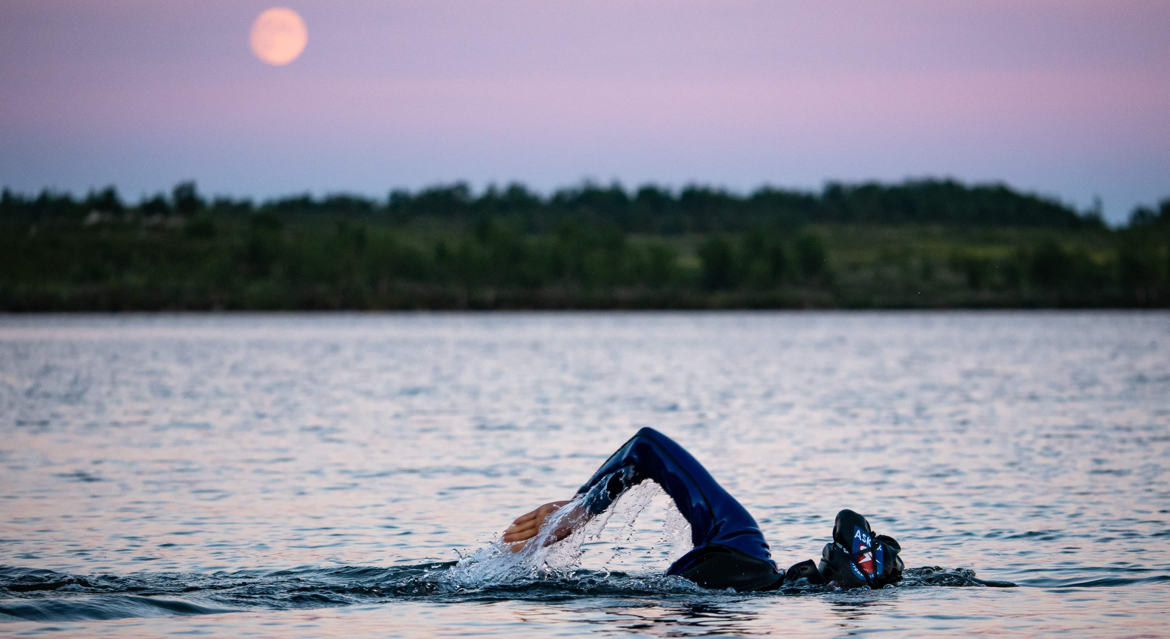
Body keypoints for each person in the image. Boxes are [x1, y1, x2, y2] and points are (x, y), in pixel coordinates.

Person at [503, 427, 903, 591]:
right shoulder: (785, 590)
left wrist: (581, 507)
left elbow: (647, 445)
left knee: (647, 446)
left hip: (738, 564)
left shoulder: (745, 544)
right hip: (729, 605)